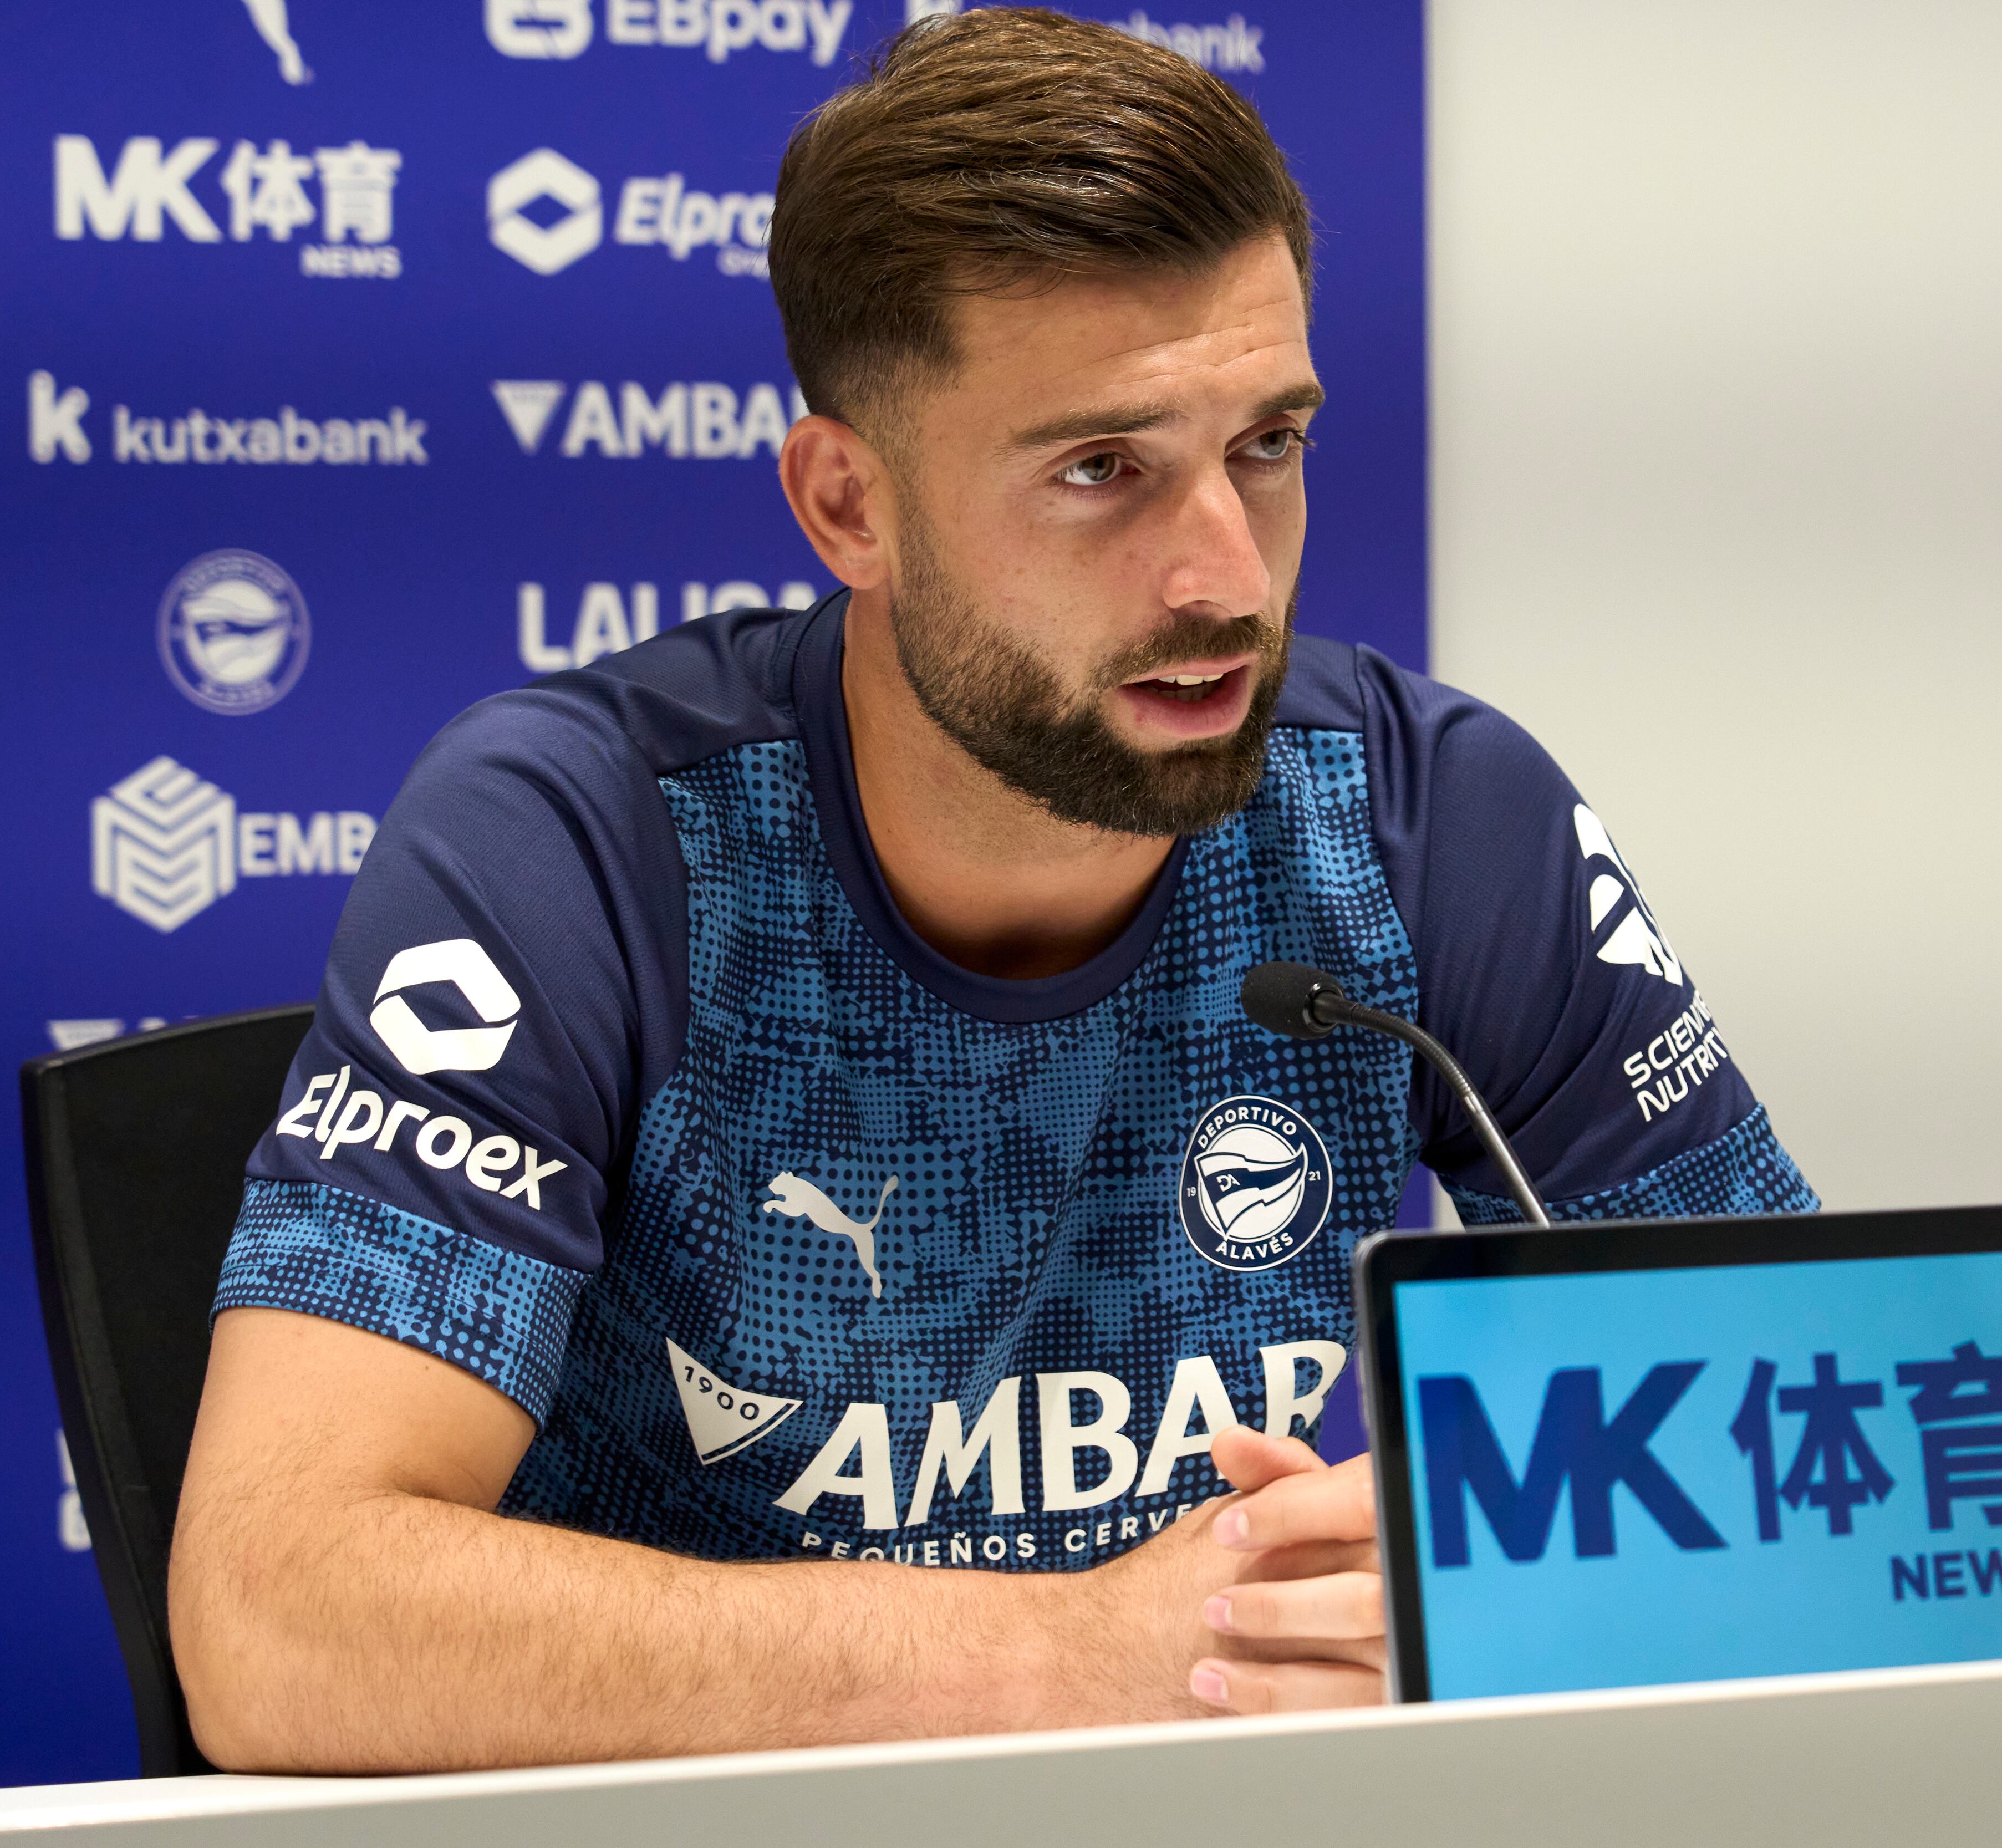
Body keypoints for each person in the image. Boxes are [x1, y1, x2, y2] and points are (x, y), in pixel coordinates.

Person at [170, 8, 1816, 1774]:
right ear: (847, 505)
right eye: (1101, 470)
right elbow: (278, 1615)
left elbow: (1819, 1458)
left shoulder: (1428, 821)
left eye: (1267, 444)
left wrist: (1480, 1584)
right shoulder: (582, 840)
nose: (1224, 576)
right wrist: (1076, 1654)